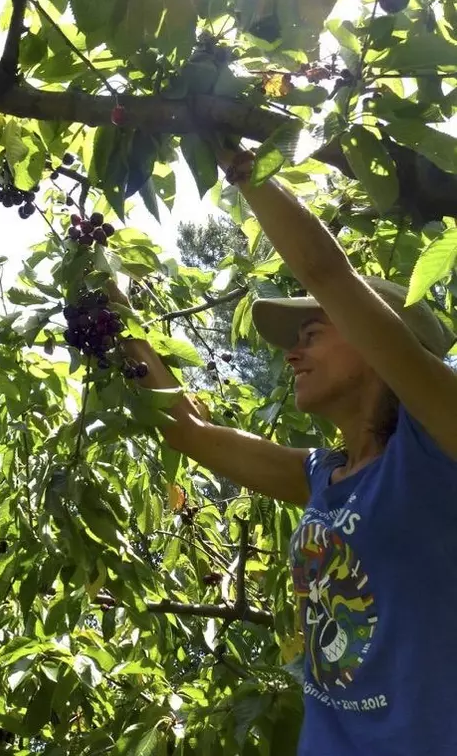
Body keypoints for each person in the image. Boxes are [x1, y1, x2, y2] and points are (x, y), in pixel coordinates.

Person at [113, 145, 457, 756]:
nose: (291, 354)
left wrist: (238, 157)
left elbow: (328, 273)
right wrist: (113, 318)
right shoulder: (324, 476)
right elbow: (187, 430)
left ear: (378, 337)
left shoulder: (439, 444)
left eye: (313, 334)